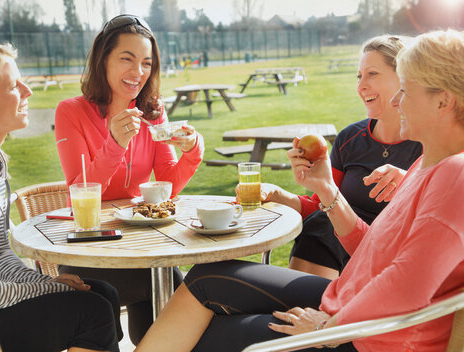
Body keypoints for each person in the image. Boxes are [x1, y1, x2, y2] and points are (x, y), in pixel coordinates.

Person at [134, 29, 464, 352]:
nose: (395, 100)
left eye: (405, 89)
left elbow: (407, 288)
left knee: (200, 332)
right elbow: (374, 250)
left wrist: (328, 327)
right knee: (207, 277)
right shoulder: (428, 163)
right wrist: (325, 188)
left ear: (443, 102)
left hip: (371, 338)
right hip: (348, 300)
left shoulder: (455, 176)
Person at [0, 41, 123, 352]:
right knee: (91, 312)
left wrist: (46, 285)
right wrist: (35, 291)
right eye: (14, 86)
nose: (28, 92)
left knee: (102, 294)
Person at [54, 14, 204, 345]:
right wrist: (115, 144)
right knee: (178, 295)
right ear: (102, 59)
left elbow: (168, 182)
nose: (138, 72)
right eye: (127, 59)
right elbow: (81, 189)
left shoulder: (153, 111)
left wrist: (193, 149)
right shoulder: (71, 112)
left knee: (178, 303)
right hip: (90, 252)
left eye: (146, 63)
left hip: (141, 247)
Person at [255, 35, 422, 280]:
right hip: (333, 254)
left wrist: (412, 182)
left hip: (384, 266)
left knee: (323, 224)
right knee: (321, 222)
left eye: (372, 74)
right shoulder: (350, 138)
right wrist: (277, 195)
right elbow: (320, 204)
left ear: (404, 77)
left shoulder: (430, 144)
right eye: (359, 76)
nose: (361, 86)